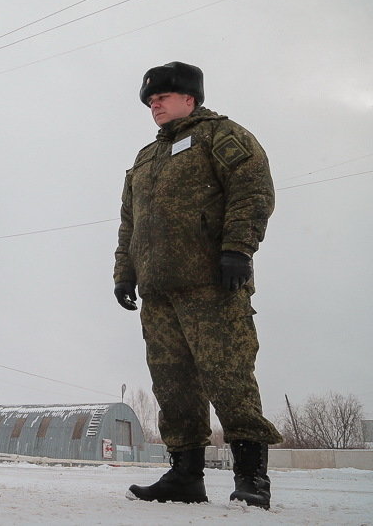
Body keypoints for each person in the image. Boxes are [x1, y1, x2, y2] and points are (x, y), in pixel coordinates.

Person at [113, 61, 282, 509]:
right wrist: (124, 273)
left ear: (190, 98)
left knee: (228, 375)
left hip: (212, 281)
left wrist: (237, 249)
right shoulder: (146, 158)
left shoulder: (220, 136)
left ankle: (251, 477)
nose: (155, 105)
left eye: (162, 97)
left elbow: (252, 187)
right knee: (173, 383)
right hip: (159, 290)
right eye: (150, 100)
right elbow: (130, 222)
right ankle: (185, 475)